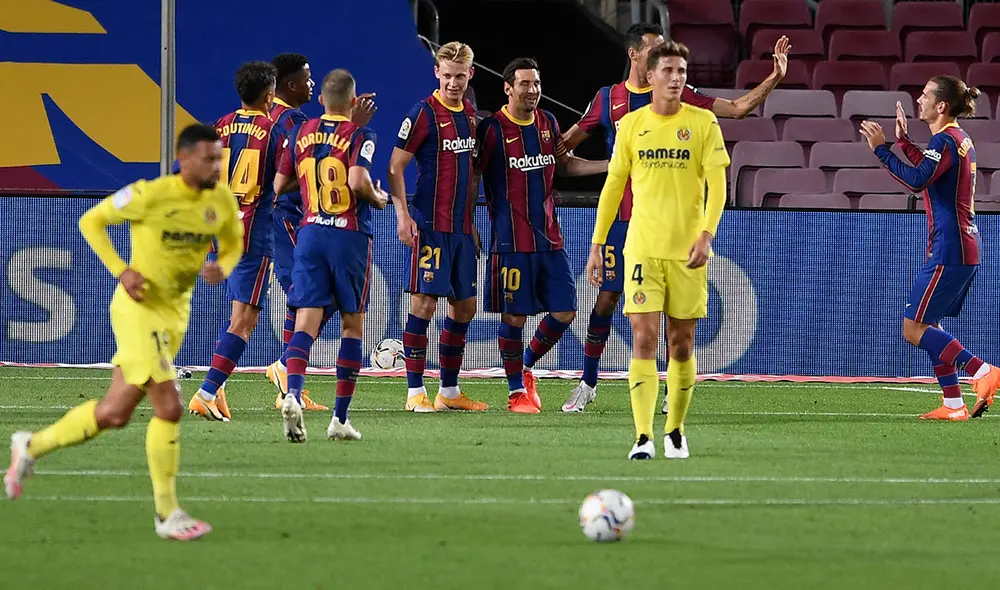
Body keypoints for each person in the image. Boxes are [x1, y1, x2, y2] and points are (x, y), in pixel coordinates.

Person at [5, 124, 243, 539]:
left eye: (219, 158)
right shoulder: (149, 194)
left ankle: (30, 446)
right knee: (169, 405)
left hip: (174, 315)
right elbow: (92, 221)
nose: (217, 166)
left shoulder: (220, 199)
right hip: (138, 310)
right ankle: (167, 514)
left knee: (114, 413)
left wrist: (223, 265)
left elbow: (234, 241)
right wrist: (121, 270)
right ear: (184, 159)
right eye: (209, 159)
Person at [561, 22, 790, 414]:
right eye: (654, 51)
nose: (664, 61)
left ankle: (671, 390)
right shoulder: (608, 99)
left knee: (673, 315)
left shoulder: (683, 98)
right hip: (624, 221)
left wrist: (775, 77)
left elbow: (737, 109)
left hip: (672, 225)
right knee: (606, 300)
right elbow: (563, 151)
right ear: (635, 55)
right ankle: (588, 382)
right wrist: (608, 166)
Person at [587, 41, 730, 459]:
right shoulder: (632, 125)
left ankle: (675, 430)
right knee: (643, 337)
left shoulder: (702, 122)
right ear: (650, 76)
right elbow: (614, 186)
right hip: (642, 249)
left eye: (681, 71)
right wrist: (597, 242)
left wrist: (707, 234)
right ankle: (643, 436)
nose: (676, 78)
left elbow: (718, 184)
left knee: (681, 342)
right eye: (668, 70)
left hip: (687, 252)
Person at [859, 76, 1000, 420]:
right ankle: (953, 405)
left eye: (924, 95)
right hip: (962, 245)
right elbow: (931, 171)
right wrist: (904, 143)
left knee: (913, 329)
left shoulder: (944, 139)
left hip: (950, 247)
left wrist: (881, 149)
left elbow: (917, 180)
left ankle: (982, 370)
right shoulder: (957, 139)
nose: (918, 100)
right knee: (929, 323)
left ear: (941, 105)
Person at [475, 57, 608, 413]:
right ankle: (516, 392)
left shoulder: (548, 122)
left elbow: (565, 165)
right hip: (510, 241)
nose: (532, 90)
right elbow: (472, 175)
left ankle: (526, 365)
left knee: (566, 311)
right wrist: (468, 222)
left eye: (536, 83)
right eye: (525, 83)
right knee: (514, 318)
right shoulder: (492, 129)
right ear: (508, 88)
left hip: (549, 237)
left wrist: (612, 166)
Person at [272, 68, 389, 442]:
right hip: (348, 236)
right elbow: (357, 181)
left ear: (321, 100)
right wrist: (378, 198)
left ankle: (292, 393)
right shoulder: (361, 134)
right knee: (352, 325)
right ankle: (339, 419)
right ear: (353, 101)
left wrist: (313, 178)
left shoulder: (300, 132)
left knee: (305, 321)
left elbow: (279, 184)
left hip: (309, 232)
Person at [387, 41, 488, 413]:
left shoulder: (471, 116)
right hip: (429, 225)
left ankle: (449, 392)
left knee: (465, 308)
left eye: (459, 76)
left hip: (461, 230)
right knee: (424, 304)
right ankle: (415, 392)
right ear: (436, 73)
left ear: (470, 75)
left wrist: (471, 221)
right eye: (447, 76)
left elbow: (470, 174)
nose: (453, 83)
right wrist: (402, 216)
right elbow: (394, 167)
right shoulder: (423, 114)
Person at [188, 61, 282, 422]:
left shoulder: (219, 127)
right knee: (245, 321)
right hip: (253, 234)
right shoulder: (273, 130)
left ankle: (218, 387)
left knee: (236, 316)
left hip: (220, 228)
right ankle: (207, 392)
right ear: (270, 95)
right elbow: (283, 180)